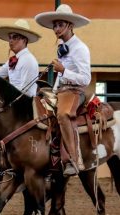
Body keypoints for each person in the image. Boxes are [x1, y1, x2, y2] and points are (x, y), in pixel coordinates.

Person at [35, 4, 91, 176]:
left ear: (70, 25)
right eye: (55, 25)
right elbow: (60, 76)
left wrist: (63, 71)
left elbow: (86, 79)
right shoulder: (62, 46)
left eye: (60, 25)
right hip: (61, 90)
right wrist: (52, 90)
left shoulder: (80, 48)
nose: (56, 29)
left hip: (75, 92)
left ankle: (73, 160)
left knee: (63, 114)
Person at [0, 19, 41, 97]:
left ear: (24, 40)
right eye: (10, 37)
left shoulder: (28, 60)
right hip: (14, 101)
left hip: (25, 104)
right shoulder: (12, 60)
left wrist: (4, 91)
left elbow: (26, 91)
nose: (11, 41)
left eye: (15, 37)